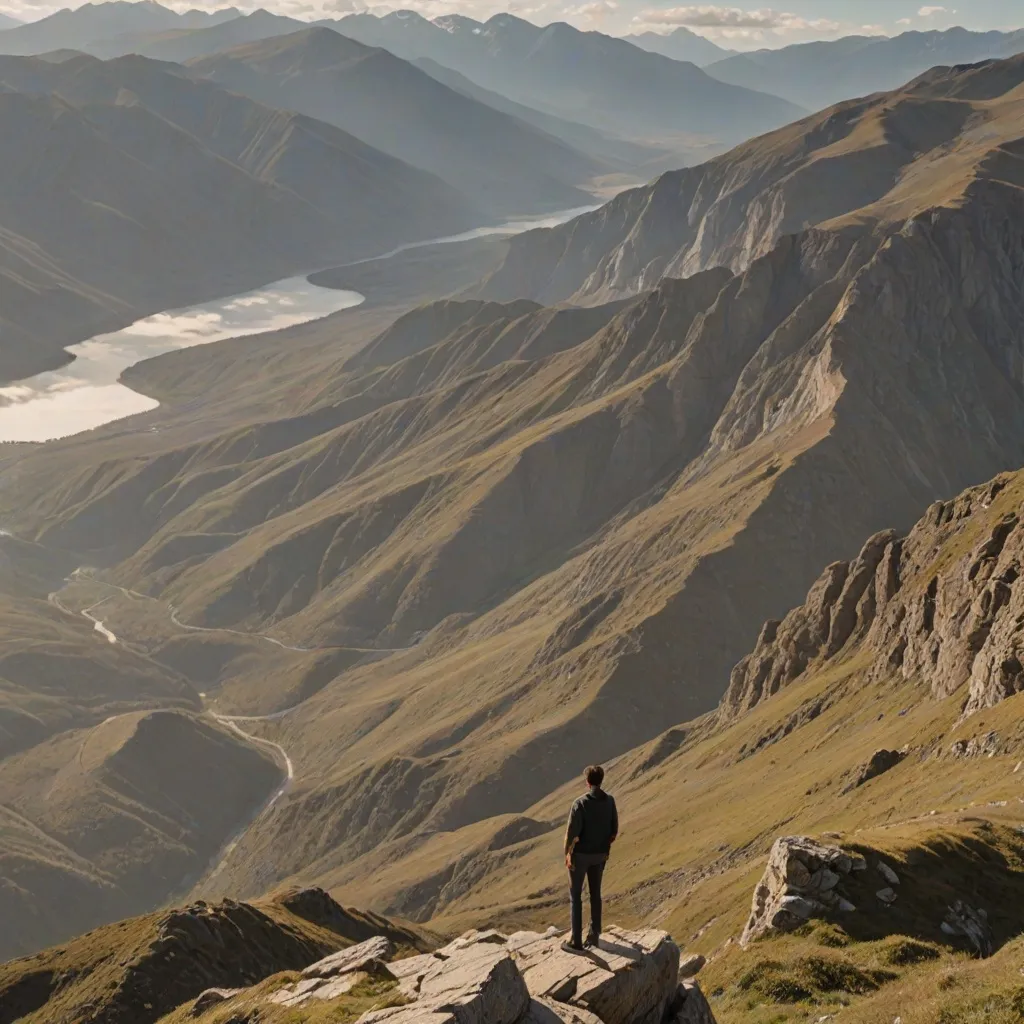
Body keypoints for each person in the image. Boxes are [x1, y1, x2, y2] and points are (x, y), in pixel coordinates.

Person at [562, 764, 618, 951]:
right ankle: (594, 936)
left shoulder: (580, 803)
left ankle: (576, 941)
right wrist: (605, 849)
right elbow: (614, 830)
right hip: (600, 855)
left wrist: (568, 854)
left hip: (581, 856)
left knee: (576, 896)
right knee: (595, 894)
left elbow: (572, 833)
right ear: (601, 780)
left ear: (587, 782)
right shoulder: (610, 801)